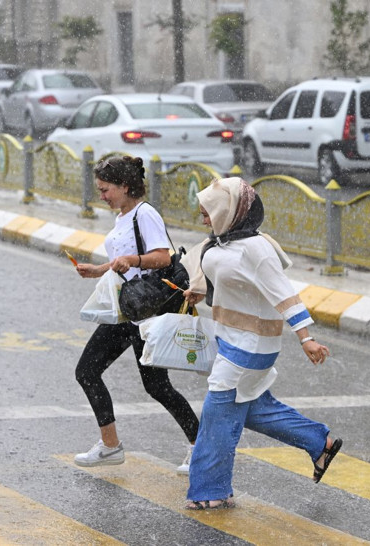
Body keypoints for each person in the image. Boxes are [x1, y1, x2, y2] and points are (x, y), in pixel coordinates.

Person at [181, 177, 342, 510]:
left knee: (216, 414)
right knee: (252, 408)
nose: (204, 220)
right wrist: (200, 291)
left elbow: (283, 293)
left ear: (230, 212)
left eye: (208, 213)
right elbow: (223, 279)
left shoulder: (257, 248)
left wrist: (306, 338)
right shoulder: (221, 242)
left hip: (251, 346)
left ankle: (211, 490)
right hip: (230, 339)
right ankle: (319, 442)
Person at [73, 155, 199, 474]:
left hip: (148, 311)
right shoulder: (122, 216)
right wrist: (98, 269)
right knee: (87, 370)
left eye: (105, 189)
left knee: (157, 387)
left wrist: (130, 258)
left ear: (124, 186)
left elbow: (160, 257)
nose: (101, 195)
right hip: (128, 309)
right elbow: (125, 263)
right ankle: (110, 446)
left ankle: (200, 448)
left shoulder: (145, 214)